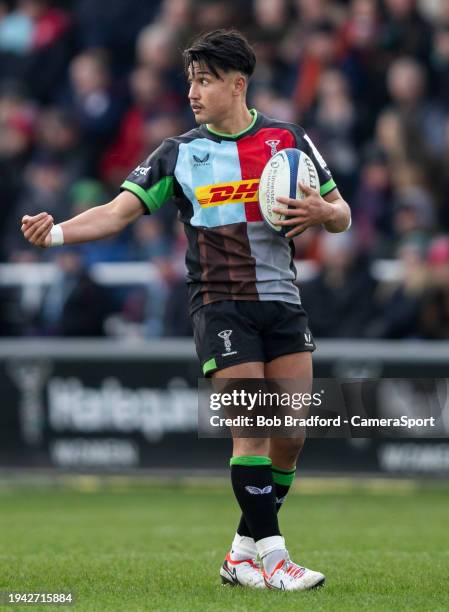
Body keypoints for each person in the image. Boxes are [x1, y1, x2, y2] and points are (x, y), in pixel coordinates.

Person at [20, 29, 351, 591]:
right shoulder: (178, 152)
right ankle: (274, 559)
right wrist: (57, 235)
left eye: (205, 80)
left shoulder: (288, 140)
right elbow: (118, 212)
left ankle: (240, 553)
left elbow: (341, 214)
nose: (193, 92)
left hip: (283, 301)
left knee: (290, 434)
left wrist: (323, 210)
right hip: (220, 306)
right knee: (251, 428)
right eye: (190, 81)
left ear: (237, 84)